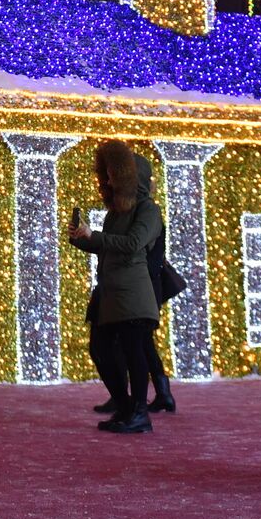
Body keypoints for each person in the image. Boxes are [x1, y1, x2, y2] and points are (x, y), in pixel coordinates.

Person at [70, 141, 162, 435]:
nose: (107, 180)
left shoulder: (148, 210)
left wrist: (95, 236)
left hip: (133, 293)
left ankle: (139, 413)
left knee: (134, 352)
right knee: (100, 349)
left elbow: (134, 244)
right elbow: (109, 247)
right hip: (111, 293)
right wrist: (82, 239)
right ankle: (125, 407)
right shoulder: (115, 213)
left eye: (112, 174)